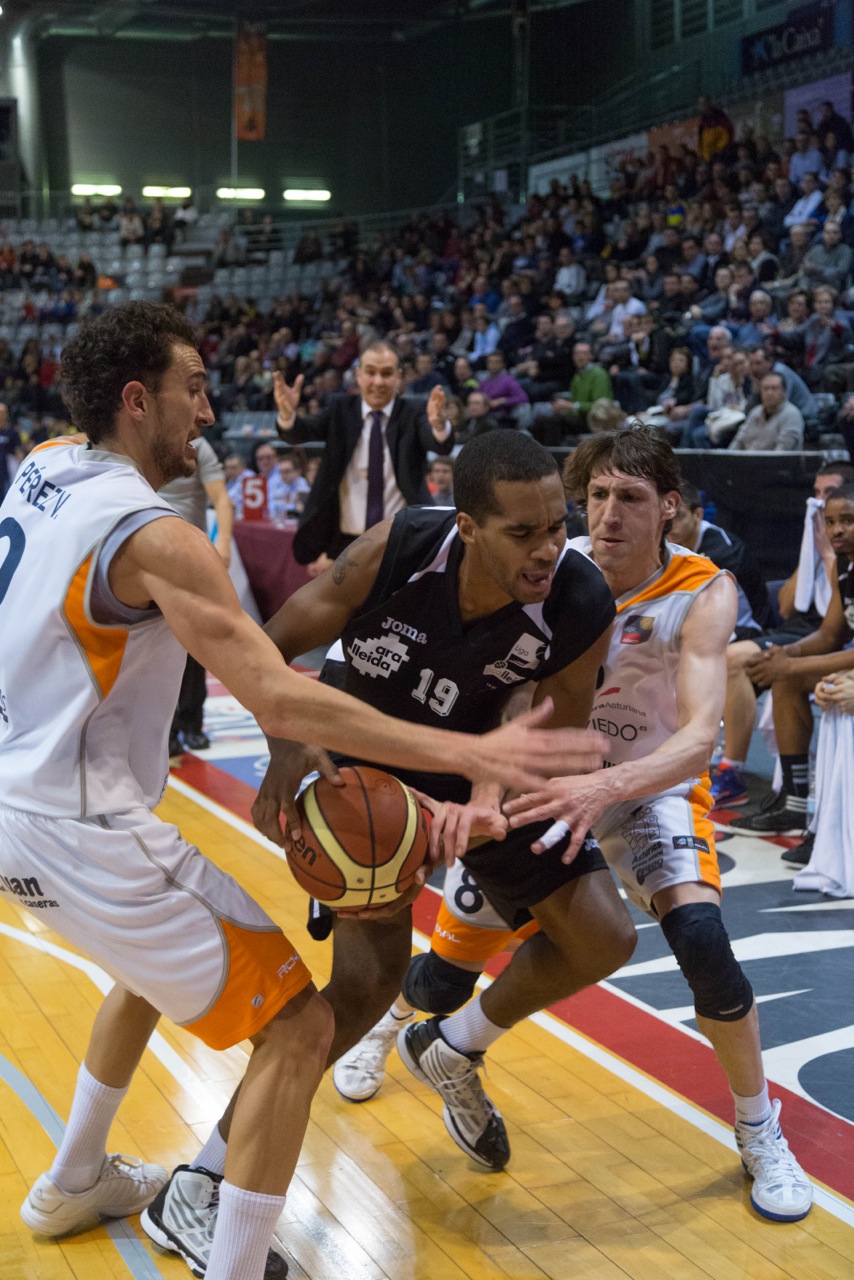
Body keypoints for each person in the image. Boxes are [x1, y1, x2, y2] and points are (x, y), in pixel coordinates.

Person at [2, 304, 587, 1280]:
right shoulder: (152, 535)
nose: (208, 404)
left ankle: (72, 1179)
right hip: (82, 822)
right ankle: (228, 1259)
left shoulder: (46, 461)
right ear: (136, 399)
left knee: (148, 970)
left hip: (20, 805)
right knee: (301, 1022)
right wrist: (466, 748)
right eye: (192, 385)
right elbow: (273, 686)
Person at [158, 429, 636, 1210]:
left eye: (558, 524)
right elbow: (266, 646)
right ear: (469, 528)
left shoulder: (580, 599)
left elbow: (546, 733)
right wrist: (289, 738)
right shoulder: (405, 546)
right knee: (366, 982)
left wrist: (485, 804)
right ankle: (209, 1174)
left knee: (604, 936)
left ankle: (452, 1044)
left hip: (478, 761)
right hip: (364, 763)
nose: (548, 548)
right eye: (524, 532)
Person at [352, 427, 812, 1224]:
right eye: (595, 496)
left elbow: (700, 736)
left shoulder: (706, 590)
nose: (607, 514)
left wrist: (608, 789)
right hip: (546, 783)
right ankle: (401, 1032)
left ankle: (759, 1128)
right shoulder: (546, 575)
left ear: (669, 507)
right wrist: (489, 795)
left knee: (705, 948)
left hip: (646, 788)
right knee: (444, 973)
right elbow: (511, 703)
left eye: (629, 498)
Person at [712, 462, 854, 808]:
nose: (835, 529)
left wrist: (790, 665)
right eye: (831, 521)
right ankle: (795, 801)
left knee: (794, 676)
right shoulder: (845, 565)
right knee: (786, 680)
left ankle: (833, 816)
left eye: (846, 520)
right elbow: (829, 633)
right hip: (820, 642)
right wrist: (784, 658)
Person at [272, 341, 453, 575]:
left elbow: (439, 443)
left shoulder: (414, 412)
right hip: (344, 542)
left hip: (402, 541)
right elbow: (302, 432)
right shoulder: (340, 409)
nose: (378, 381)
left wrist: (439, 424)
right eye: (370, 372)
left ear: (399, 377)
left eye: (386, 373)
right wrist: (287, 414)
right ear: (358, 375)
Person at [160, 435, 233, 757]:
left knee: (193, 648)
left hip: (190, 560)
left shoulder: (200, 448)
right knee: (155, 645)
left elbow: (221, 499)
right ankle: (168, 728)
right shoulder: (148, 441)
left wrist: (225, 545)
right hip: (150, 557)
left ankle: (191, 723)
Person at [670, 481, 770, 637]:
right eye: (668, 516)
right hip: (709, 624)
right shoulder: (671, 543)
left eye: (679, 516)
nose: (671, 525)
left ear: (698, 515)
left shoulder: (722, 551)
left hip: (746, 628)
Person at [728, 373, 804, 452]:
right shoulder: (755, 412)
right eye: (765, 389)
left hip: (775, 463)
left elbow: (783, 452)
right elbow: (739, 440)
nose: (769, 393)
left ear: (784, 392)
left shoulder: (792, 414)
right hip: (747, 461)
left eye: (774, 388)